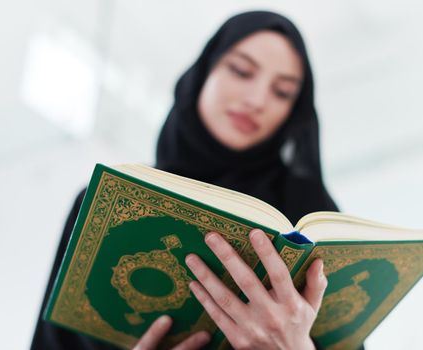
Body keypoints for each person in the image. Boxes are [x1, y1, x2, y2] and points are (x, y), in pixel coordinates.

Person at [31, 10, 362, 350]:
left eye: (282, 92)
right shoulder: (104, 202)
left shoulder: (311, 217)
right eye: (241, 71)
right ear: (204, 71)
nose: (256, 100)